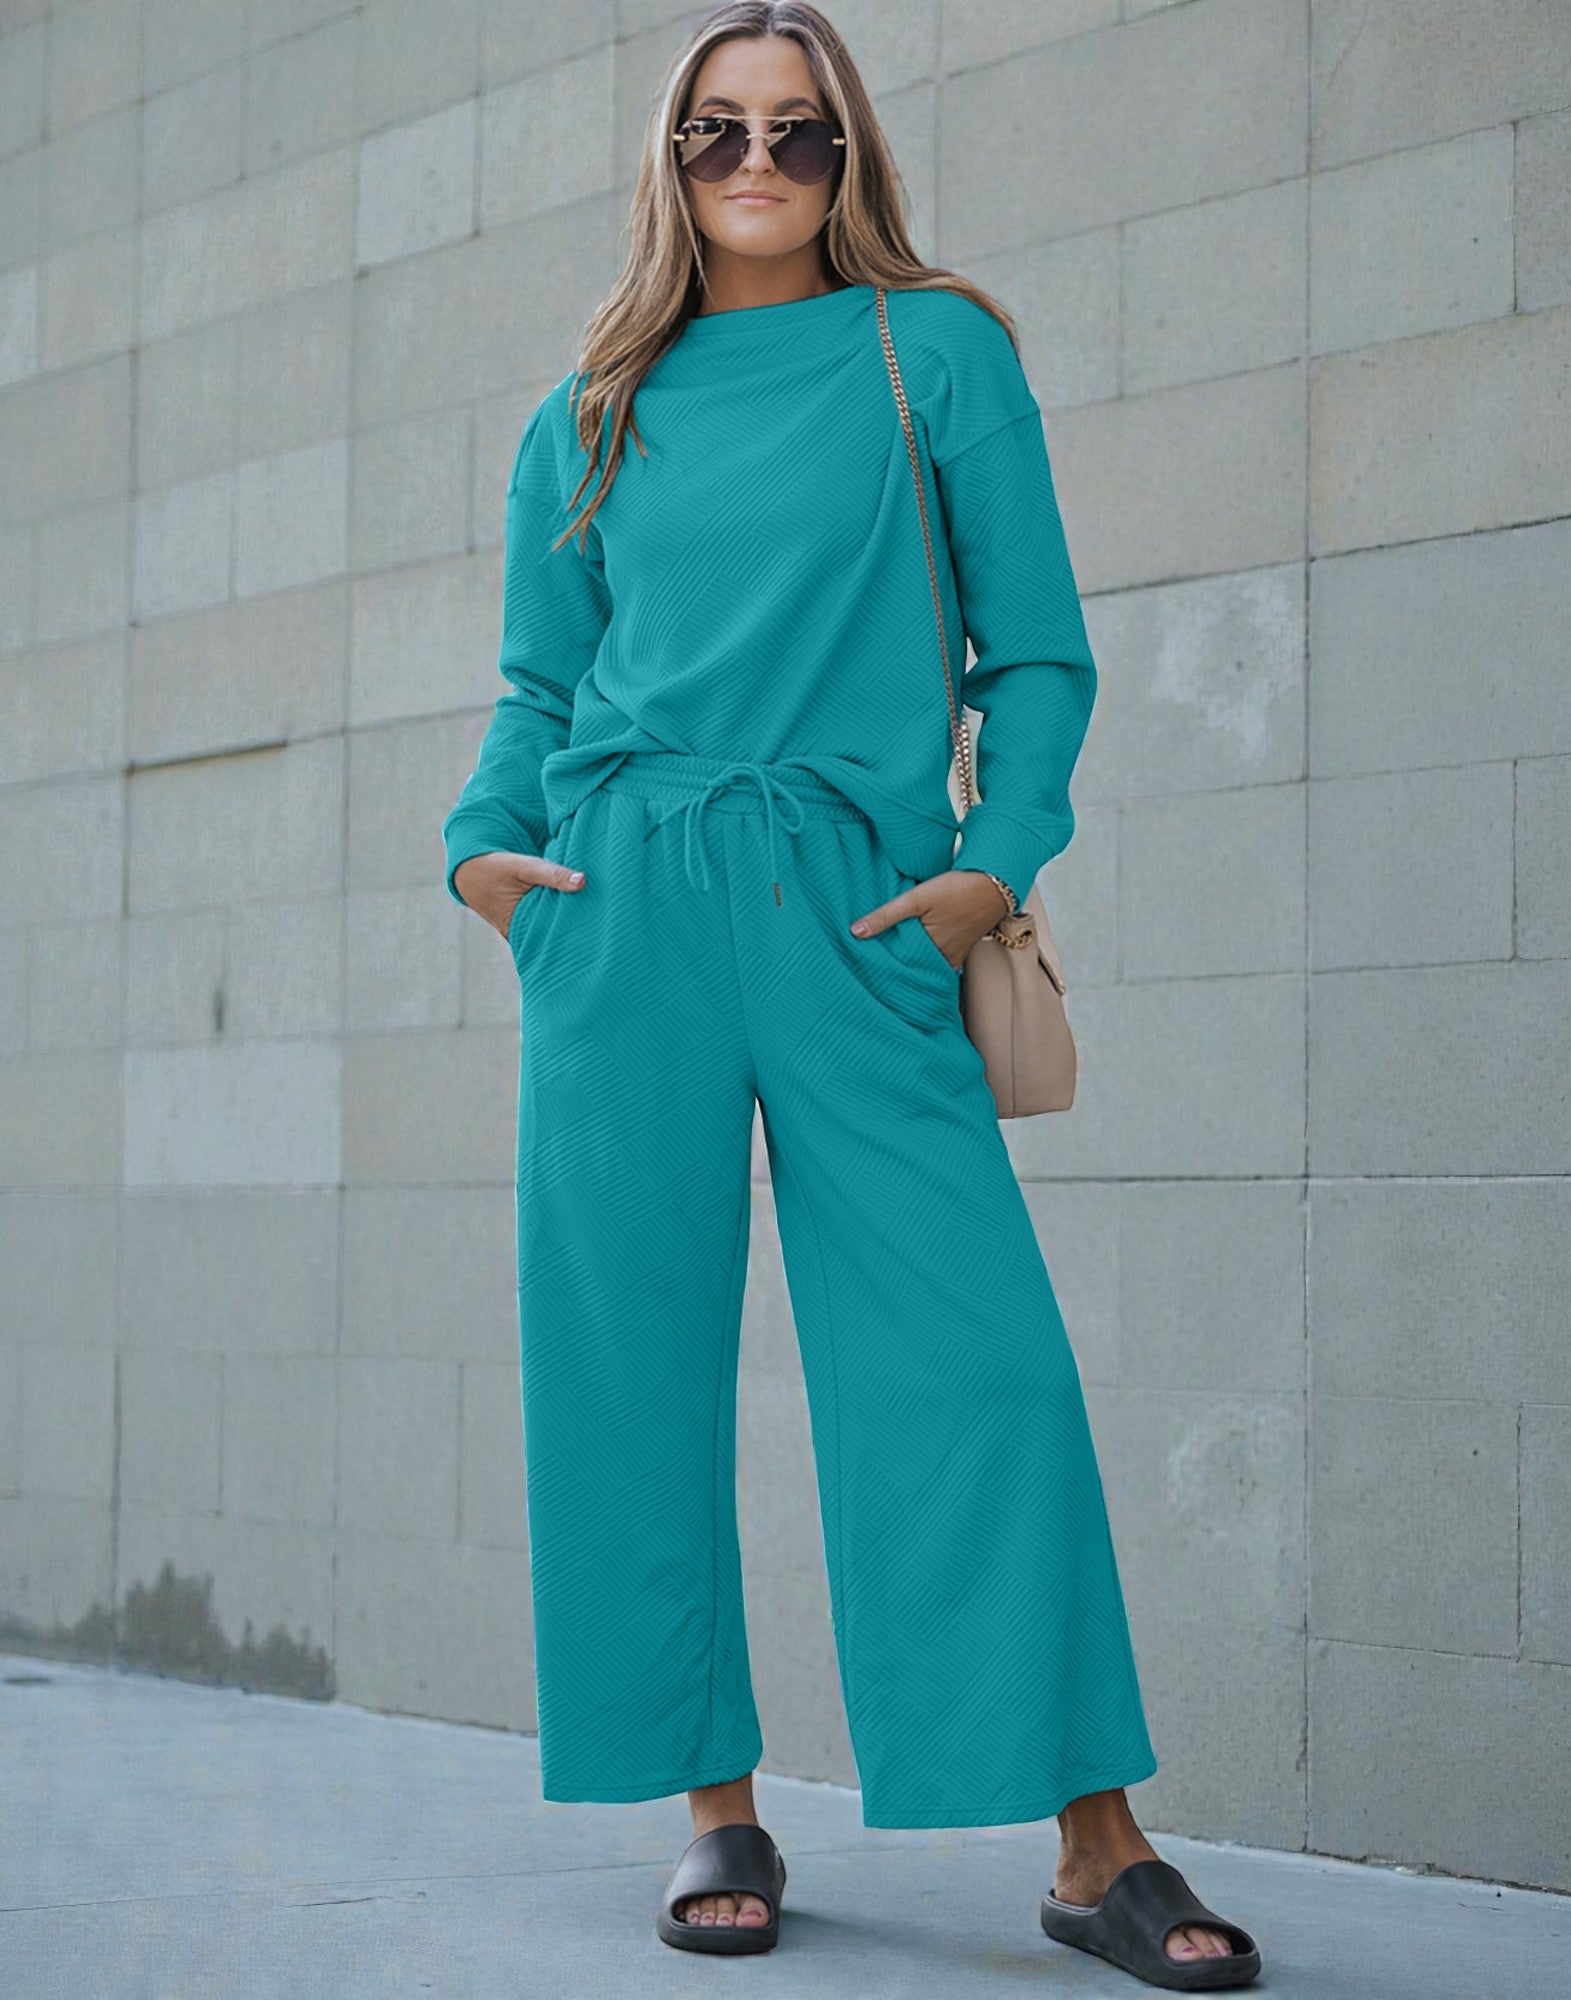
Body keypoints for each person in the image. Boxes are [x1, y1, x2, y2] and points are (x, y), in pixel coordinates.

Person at [442, 4, 1261, 1988]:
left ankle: (1095, 1838)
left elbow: (1036, 651)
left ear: (848, 157)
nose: (755, 162)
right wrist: (487, 852)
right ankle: (713, 1799)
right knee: (624, 1364)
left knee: (970, 1362)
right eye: (719, 129)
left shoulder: (933, 352)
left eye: (796, 135)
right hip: (618, 900)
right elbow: (539, 687)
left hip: (856, 906)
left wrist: (1001, 852)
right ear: (667, 152)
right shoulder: (591, 406)